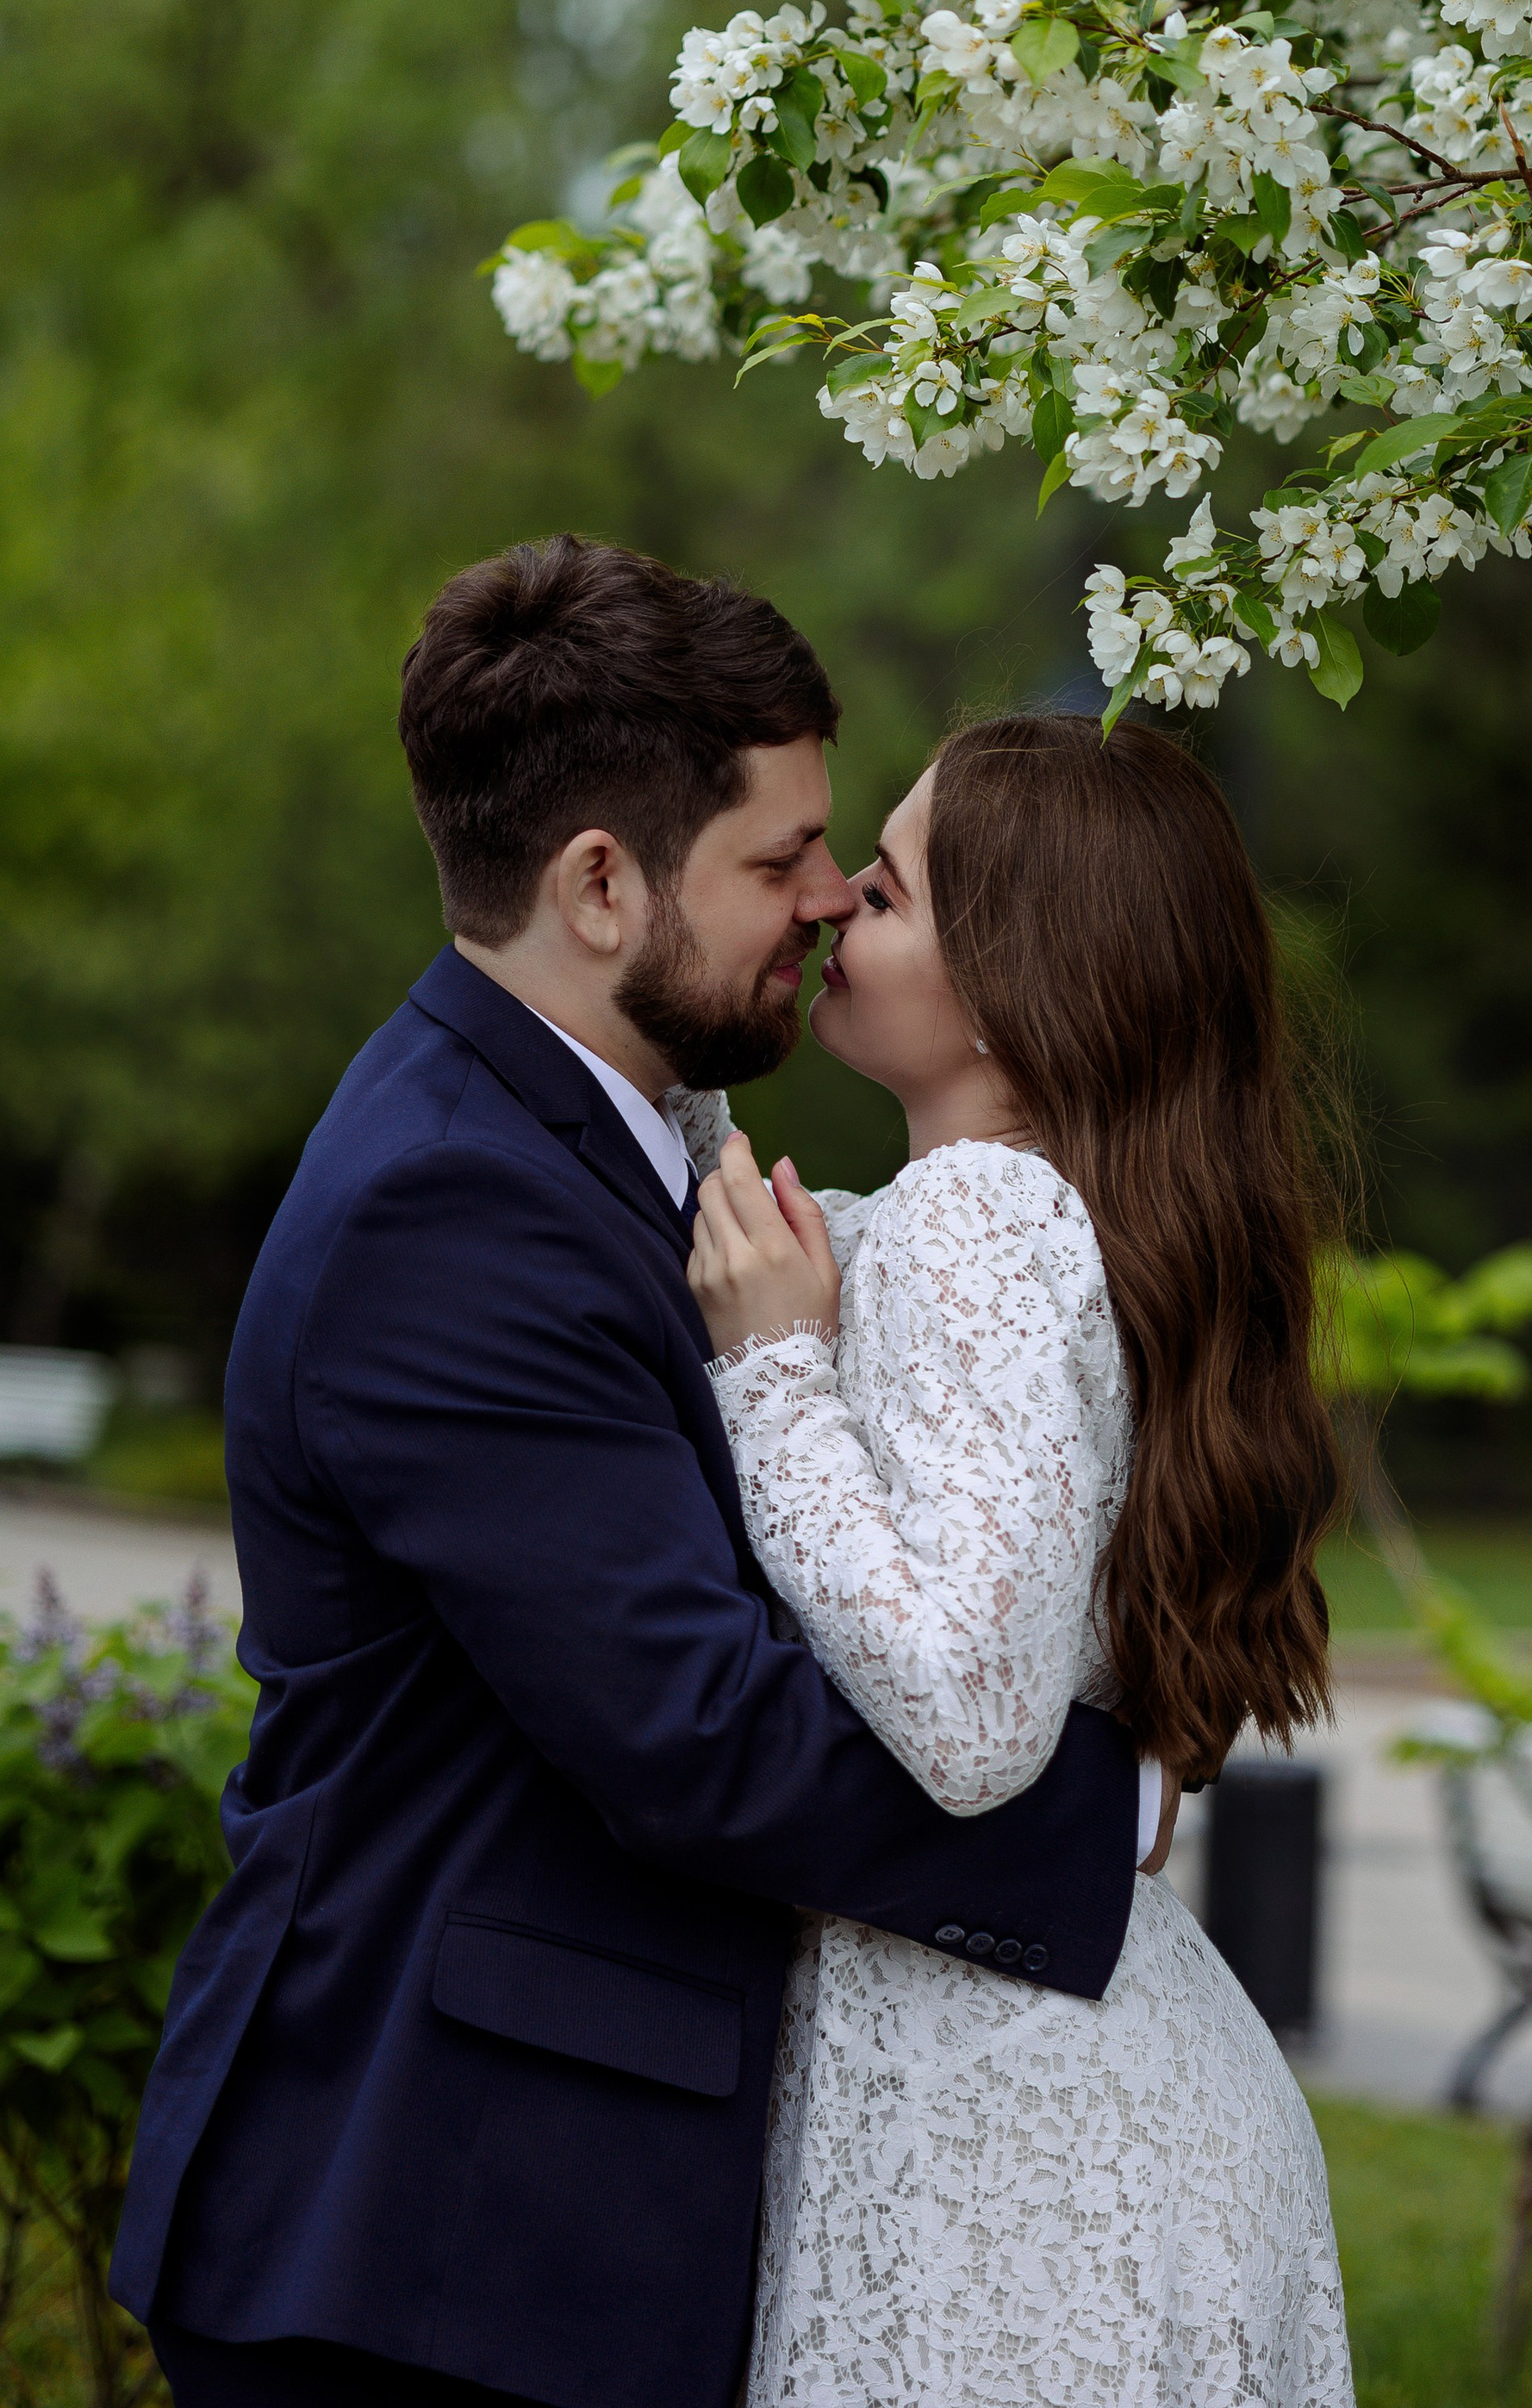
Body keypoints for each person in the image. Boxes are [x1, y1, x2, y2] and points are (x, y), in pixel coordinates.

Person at [112, 540, 1168, 2408]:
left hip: (516, 2225)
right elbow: (694, 1731)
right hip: (429, 2232)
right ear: (601, 884)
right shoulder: (453, 1207)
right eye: (782, 858)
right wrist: (1105, 1814)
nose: (830, 899)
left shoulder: (610, 1141)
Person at [686, 711, 1355, 2406]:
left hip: (1010, 2152)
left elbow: (972, 1716)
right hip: (1095, 2083)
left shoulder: (978, 1218)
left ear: (1011, 982)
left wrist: (773, 1378)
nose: (836, 900)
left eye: (889, 888)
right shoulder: (1052, 1217)